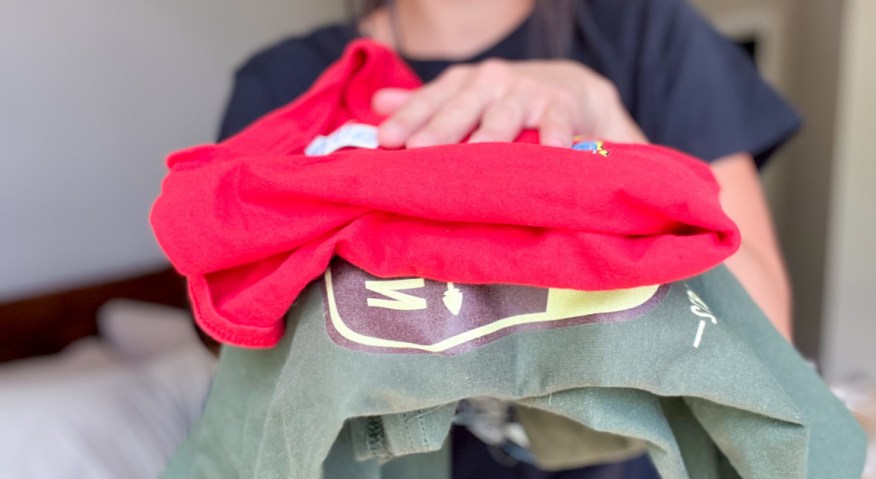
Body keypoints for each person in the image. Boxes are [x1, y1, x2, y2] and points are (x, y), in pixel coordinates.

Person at [216, 0, 800, 476]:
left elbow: (766, 336)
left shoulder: (646, 34)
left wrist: (603, 129)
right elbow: (253, 366)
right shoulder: (286, 84)